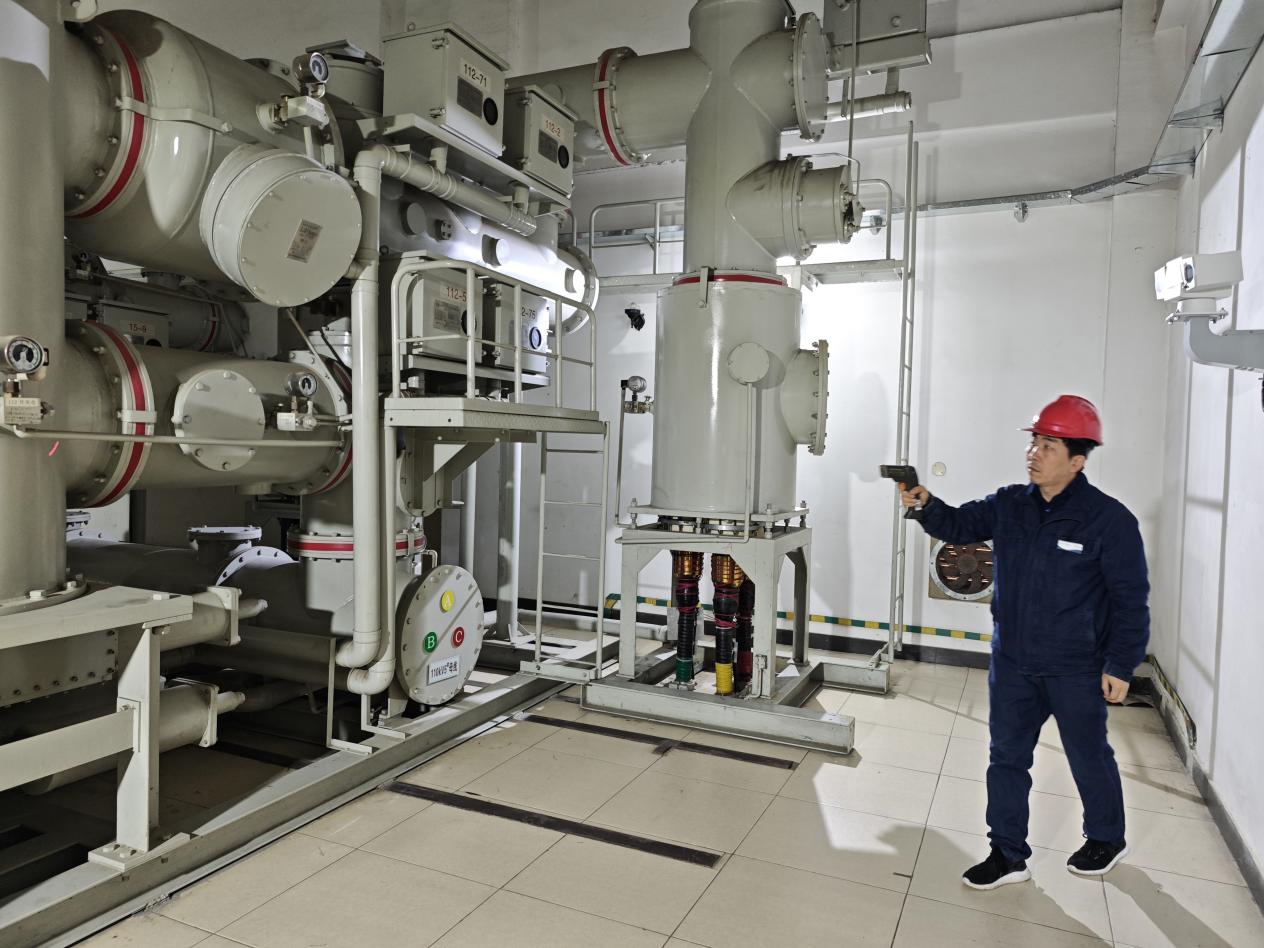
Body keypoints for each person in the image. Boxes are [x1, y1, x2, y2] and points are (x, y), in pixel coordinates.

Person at [898, 395, 1149, 890]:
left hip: (1075, 666)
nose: (1034, 453)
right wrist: (926, 505)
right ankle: (1007, 853)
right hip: (1012, 661)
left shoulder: (1109, 521)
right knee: (1006, 757)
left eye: (1049, 445)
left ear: (1078, 460)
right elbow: (960, 525)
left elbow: (1130, 600)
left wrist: (1120, 664)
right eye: (1034, 442)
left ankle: (1106, 837)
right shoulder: (1010, 504)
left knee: (1088, 755)